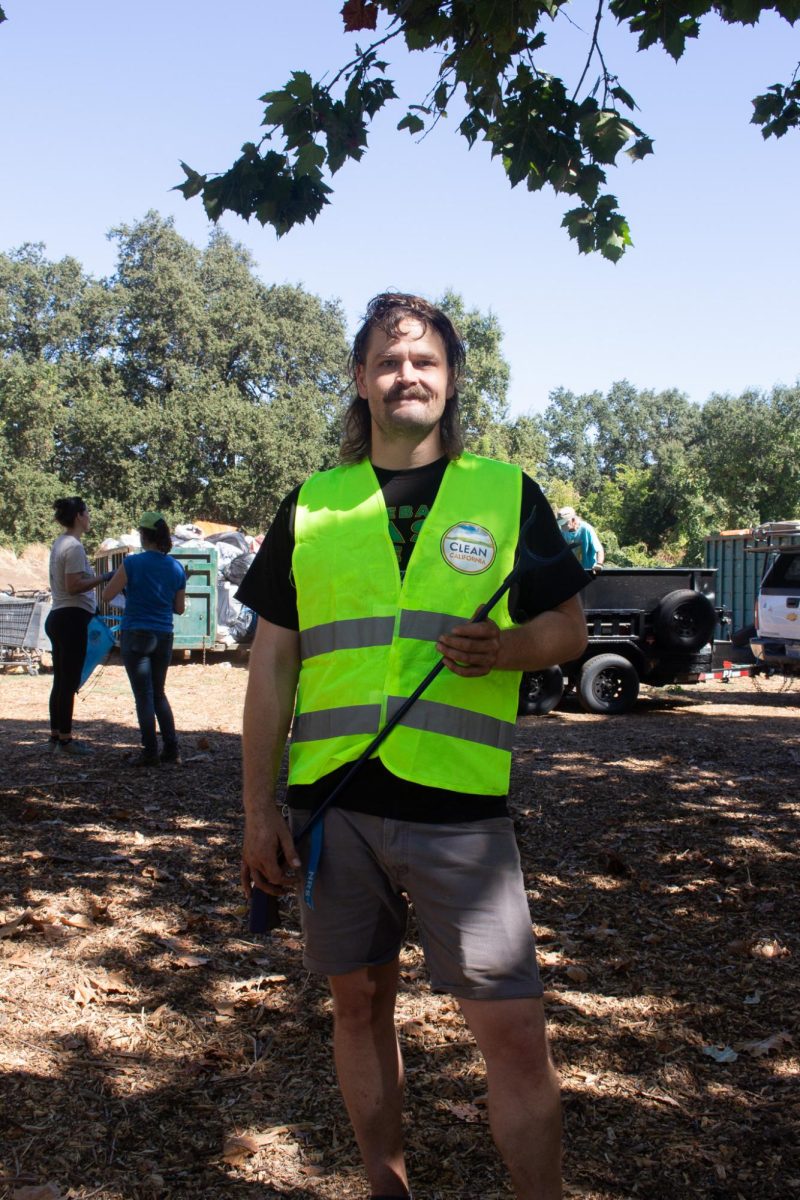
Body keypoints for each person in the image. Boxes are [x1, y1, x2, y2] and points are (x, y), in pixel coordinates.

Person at [237, 293, 588, 1200]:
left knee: (513, 1030)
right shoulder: (312, 504)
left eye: (425, 362)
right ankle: (384, 1187)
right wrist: (255, 811)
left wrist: (508, 649)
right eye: (389, 362)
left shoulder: (504, 492)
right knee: (358, 1009)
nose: (407, 375)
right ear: (359, 381)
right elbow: (272, 667)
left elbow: (568, 630)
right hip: (333, 805)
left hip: (459, 811)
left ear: (451, 379)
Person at [103, 513, 186, 767]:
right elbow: (180, 608)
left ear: (142, 535)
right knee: (159, 693)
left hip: (136, 634)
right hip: (163, 635)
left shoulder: (131, 563)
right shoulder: (176, 567)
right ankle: (171, 750)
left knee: (143, 695)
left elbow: (107, 595)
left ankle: (150, 751)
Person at [45, 497, 113, 756]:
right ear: (78, 517)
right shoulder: (73, 547)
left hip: (60, 617)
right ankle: (66, 741)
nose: (89, 517)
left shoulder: (61, 543)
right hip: (71, 618)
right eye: (87, 513)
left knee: (61, 680)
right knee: (69, 681)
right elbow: (73, 586)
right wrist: (103, 578)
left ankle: (55, 736)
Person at [556, 507, 605, 571]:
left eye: (565, 524)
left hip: (588, 570)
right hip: (571, 570)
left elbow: (599, 549)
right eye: (561, 524)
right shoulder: (561, 531)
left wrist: (599, 564)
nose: (562, 526)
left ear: (573, 520)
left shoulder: (586, 528)